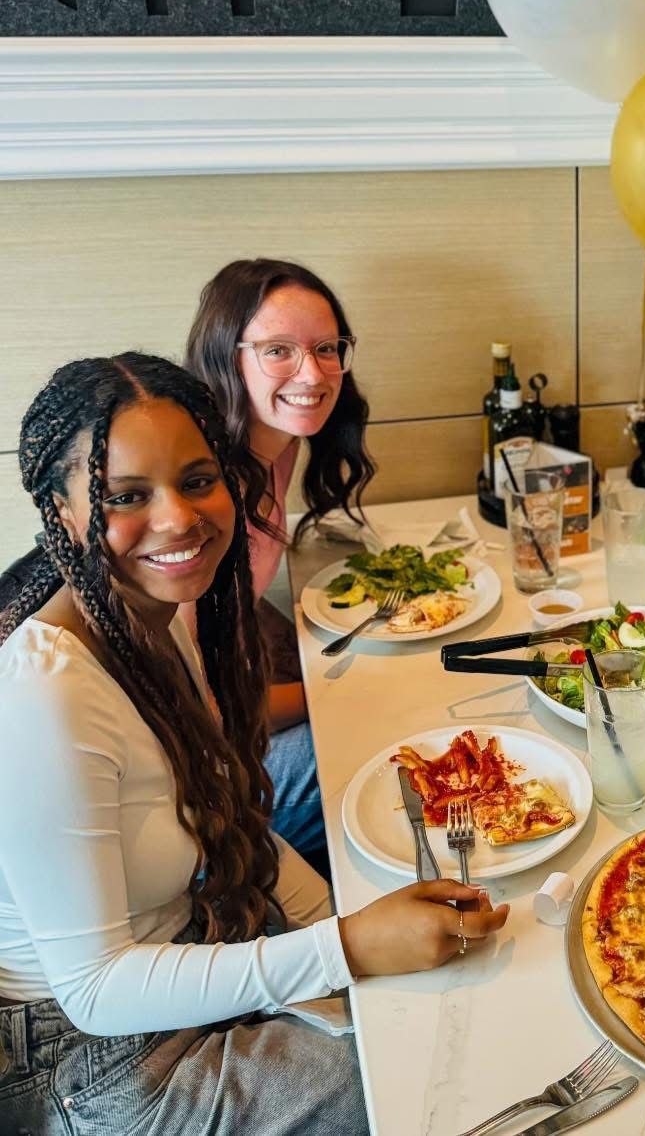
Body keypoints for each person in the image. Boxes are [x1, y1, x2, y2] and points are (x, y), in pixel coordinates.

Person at [0, 354, 508, 1135]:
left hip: (187, 938)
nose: (178, 519)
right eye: (127, 496)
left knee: (453, 1011)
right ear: (59, 512)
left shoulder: (157, 613)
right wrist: (347, 949)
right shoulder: (44, 691)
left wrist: (338, 925)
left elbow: (231, 820)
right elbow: (95, 989)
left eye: (198, 480)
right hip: (84, 1057)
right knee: (440, 1080)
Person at [186, 259, 377, 868]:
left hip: (225, 718)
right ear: (227, 358)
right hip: (190, 779)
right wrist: (327, 694)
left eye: (327, 348)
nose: (313, 373)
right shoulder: (197, 496)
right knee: (380, 744)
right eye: (278, 350)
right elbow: (203, 711)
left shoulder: (279, 445)